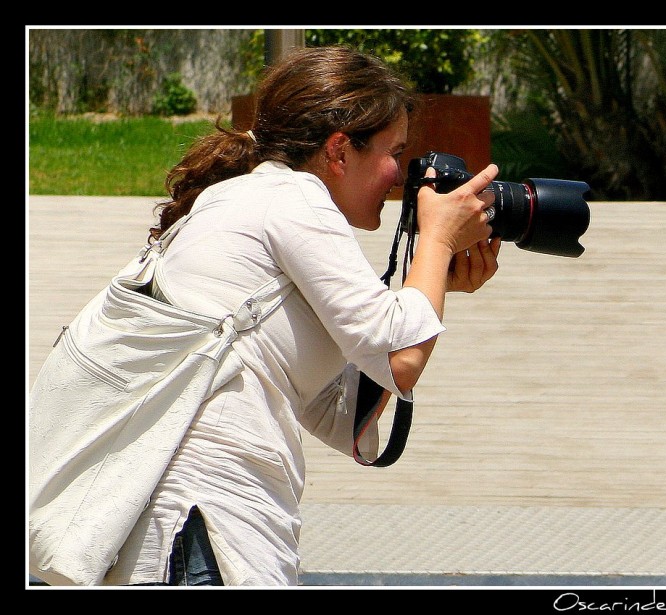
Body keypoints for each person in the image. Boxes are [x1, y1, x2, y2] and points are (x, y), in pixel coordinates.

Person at [100, 45, 501, 586]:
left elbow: (341, 409)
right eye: (394, 152)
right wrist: (437, 238)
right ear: (339, 151)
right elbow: (401, 358)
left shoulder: (248, 200)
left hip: (188, 523)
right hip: (203, 523)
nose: (399, 177)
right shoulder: (293, 200)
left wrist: (431, 282)